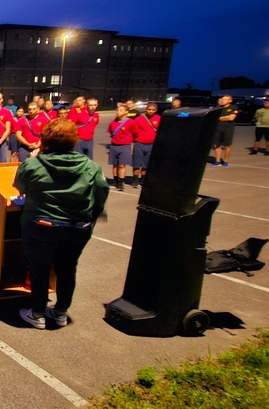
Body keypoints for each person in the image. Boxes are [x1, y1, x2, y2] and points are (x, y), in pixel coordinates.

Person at [14, 118, 109, 330]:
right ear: (74, 141)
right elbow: (101, 192)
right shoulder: (91, 166)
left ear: (44, 141)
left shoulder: (33, 164)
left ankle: (37, 313)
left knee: (40, 268)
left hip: (41, 225)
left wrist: (33, 159)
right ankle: (60, 312)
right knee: (68, 268)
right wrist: (93, 213)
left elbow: (20, 187)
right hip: (77, 228)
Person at [107, 104, 137, 191]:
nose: (118, 112)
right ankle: (115, 181)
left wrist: (130, 142)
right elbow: (111, 132)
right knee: (115, 165)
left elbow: (135, 133)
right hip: (114, 146)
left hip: (125, 146)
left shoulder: (130, 122)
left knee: (122, 165)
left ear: (126, 112)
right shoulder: (113, 122)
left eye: (120, 110)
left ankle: (121, 183)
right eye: (117, 110)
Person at [131, 102, 160, 187]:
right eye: (149, 109)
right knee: (137, 163)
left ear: (156, 110)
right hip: (139, 143)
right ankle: (135, 180)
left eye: (153, 110)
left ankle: (142, 180)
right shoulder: (139, 119)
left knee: (146, 164)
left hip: (151, 144)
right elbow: (133, 131)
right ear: (146, 110)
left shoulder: (158, 118)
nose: (151, 111)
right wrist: (133, 142)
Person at [212, 95, 238, 167]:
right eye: (223, 99)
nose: (223, 101)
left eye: (226, 99)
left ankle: (226, 161)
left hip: (228, 128)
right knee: (217, 144)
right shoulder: (218, 108)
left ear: (230, 101)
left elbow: (231, 118)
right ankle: (217, 161)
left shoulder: (233, 107)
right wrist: (224, 117)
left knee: (227, 145)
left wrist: (219, 118)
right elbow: (213, 117)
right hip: (217, 127)